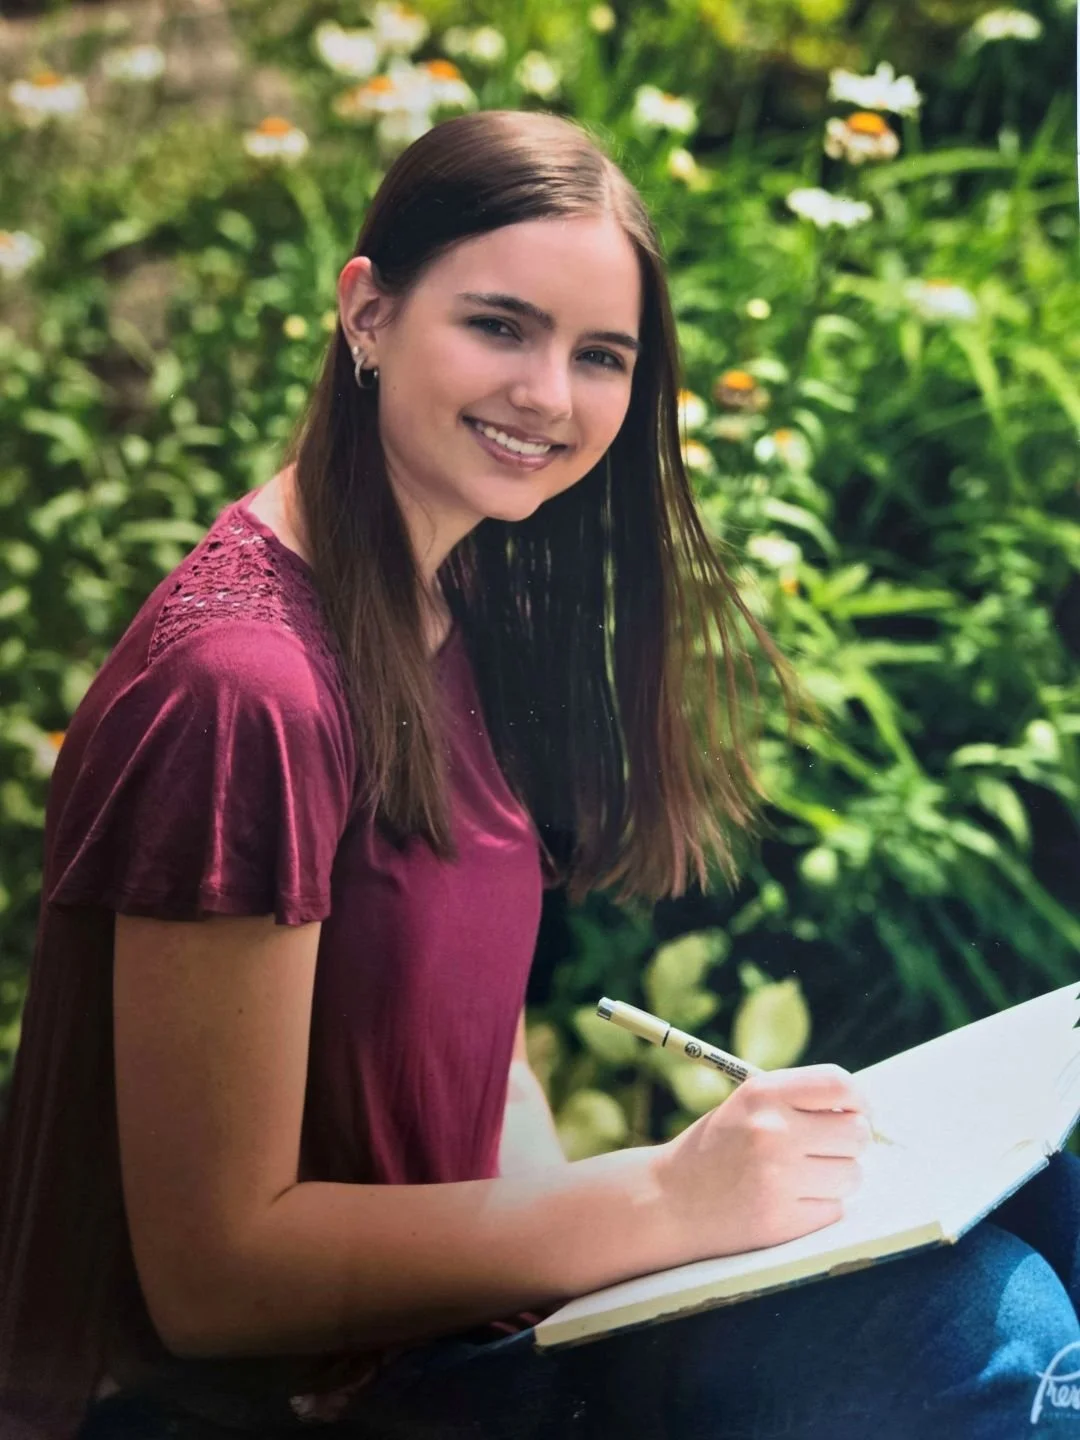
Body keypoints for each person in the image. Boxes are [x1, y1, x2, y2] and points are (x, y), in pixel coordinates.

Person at [0, 108, 1076, 1440]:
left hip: (466, 1347)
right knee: (983, 1333)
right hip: (287, 1401)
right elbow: (212, 1278)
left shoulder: (449, 605)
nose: (551, 399)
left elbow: (467, 1054)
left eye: (601, 356)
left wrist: (619, 1287)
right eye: (499, 326)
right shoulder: (248, 694)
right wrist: (660, 1207)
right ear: (368, 312)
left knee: (1047, 1200)